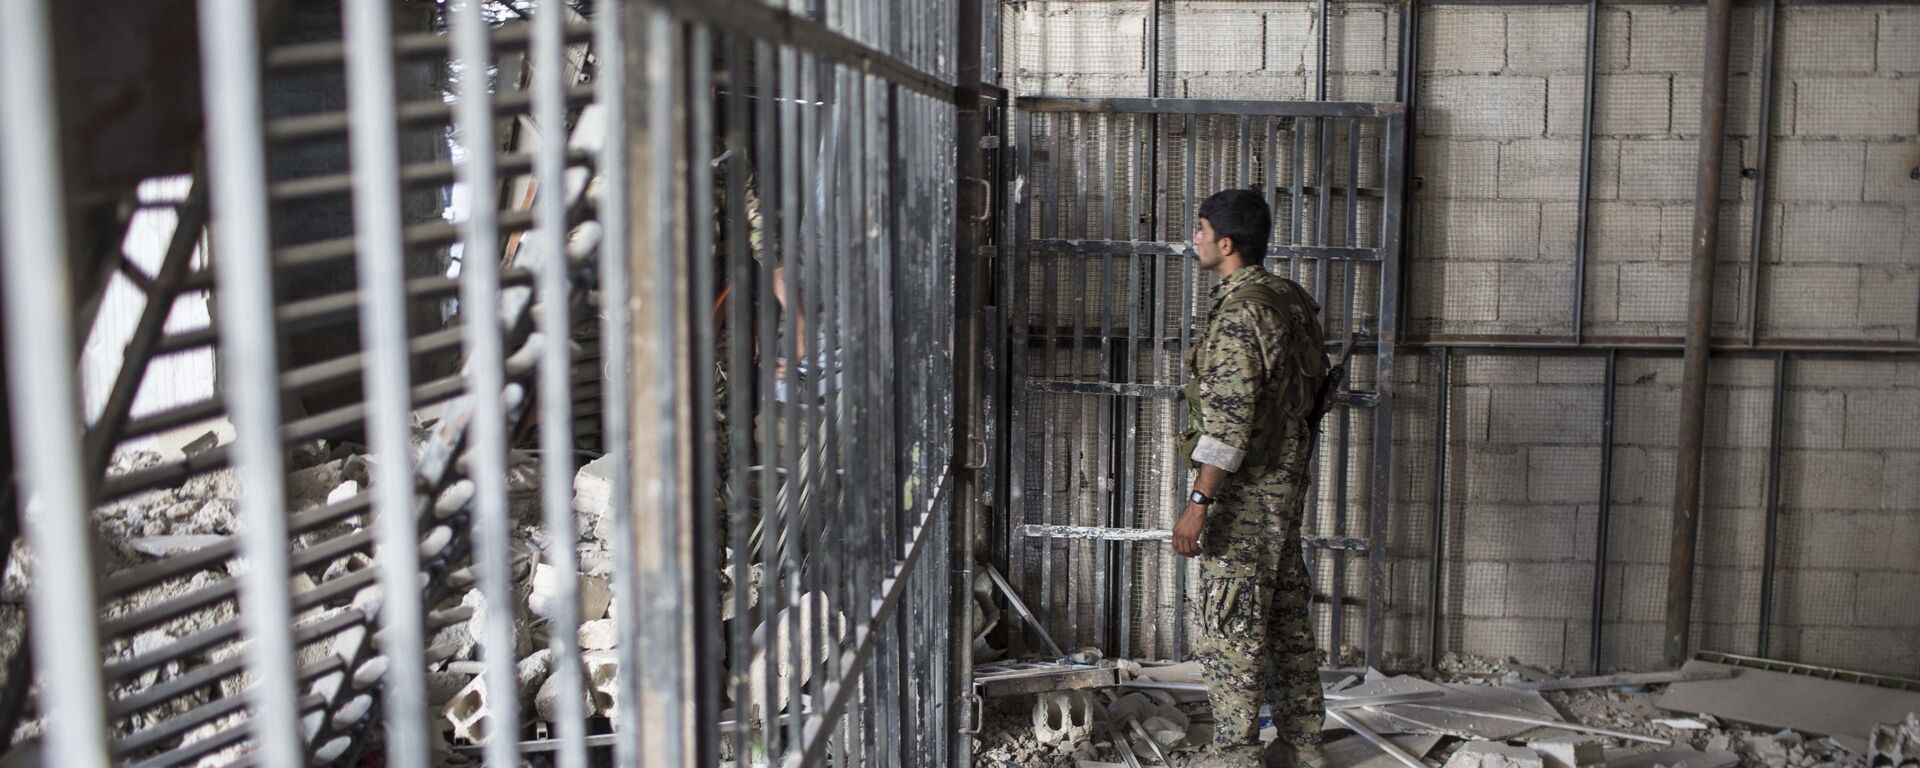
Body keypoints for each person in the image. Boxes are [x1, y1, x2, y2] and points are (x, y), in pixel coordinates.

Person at [1169, 188, 1329, 768]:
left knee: (1231, 617)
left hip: (1247, 493)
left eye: (1201, 229)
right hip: (1286, 483)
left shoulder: (1242, 313)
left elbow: (1230, 425)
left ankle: (1235, 754)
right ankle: (1304, 745)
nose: (1196, 239)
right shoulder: (1290, 299)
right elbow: (1312, 395)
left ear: (1227, 243)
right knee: (1285, 613)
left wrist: (1197, 502)